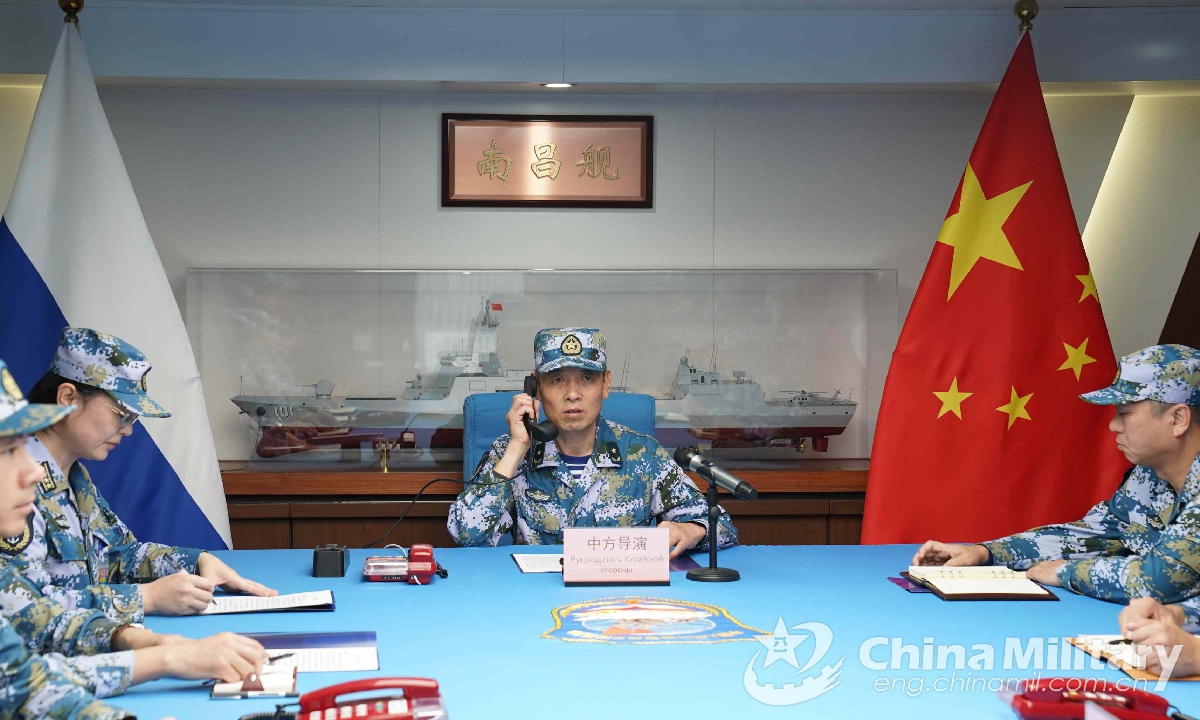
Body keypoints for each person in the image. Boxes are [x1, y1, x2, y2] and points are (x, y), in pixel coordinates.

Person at [0, 359, 266, 718]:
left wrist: (151, 642)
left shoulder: (76, 478)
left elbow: (30, 667)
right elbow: (32, 647)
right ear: (67, 397)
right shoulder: (24, 502)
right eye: (8, 451)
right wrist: (148, 611)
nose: (31, 468)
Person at [911, 345, 1200, 604]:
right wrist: (984, 554)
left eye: (1124, 413)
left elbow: (1161, 579)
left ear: (1177, 419)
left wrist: (1066, 571)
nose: (1113, 426)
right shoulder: (1148, 477)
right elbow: (1094, 535)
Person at [448, 327, 737, 557]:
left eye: (587, 378)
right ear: (535, 387)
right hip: (534, 604)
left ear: (606, 384)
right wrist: (517, 447)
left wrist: (689, 531)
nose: (573, 394)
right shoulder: (511, 452)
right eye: (557, 380)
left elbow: (721, 526)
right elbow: (466, 535)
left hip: (620, 600)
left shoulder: (643, 455)